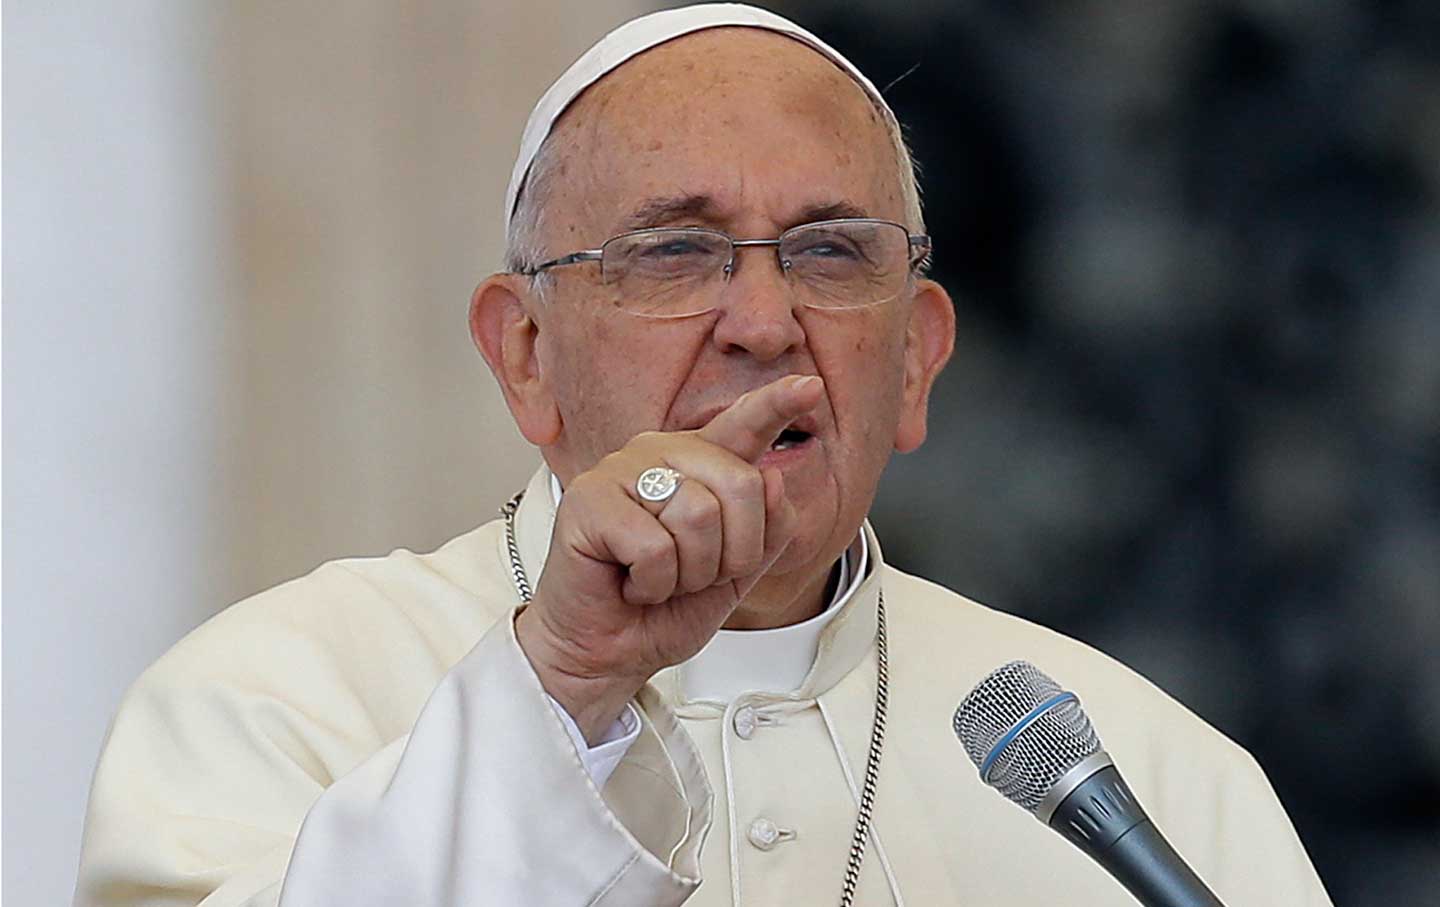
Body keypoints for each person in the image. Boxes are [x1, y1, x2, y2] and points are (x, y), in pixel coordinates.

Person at [74, 5, 1333, 906]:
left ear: (913, 361)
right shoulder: (274, 702)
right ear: (524, 357)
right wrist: (563, 683)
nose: (763, 321)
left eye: (832, 252)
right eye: (674, 252)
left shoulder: (1145, 774)